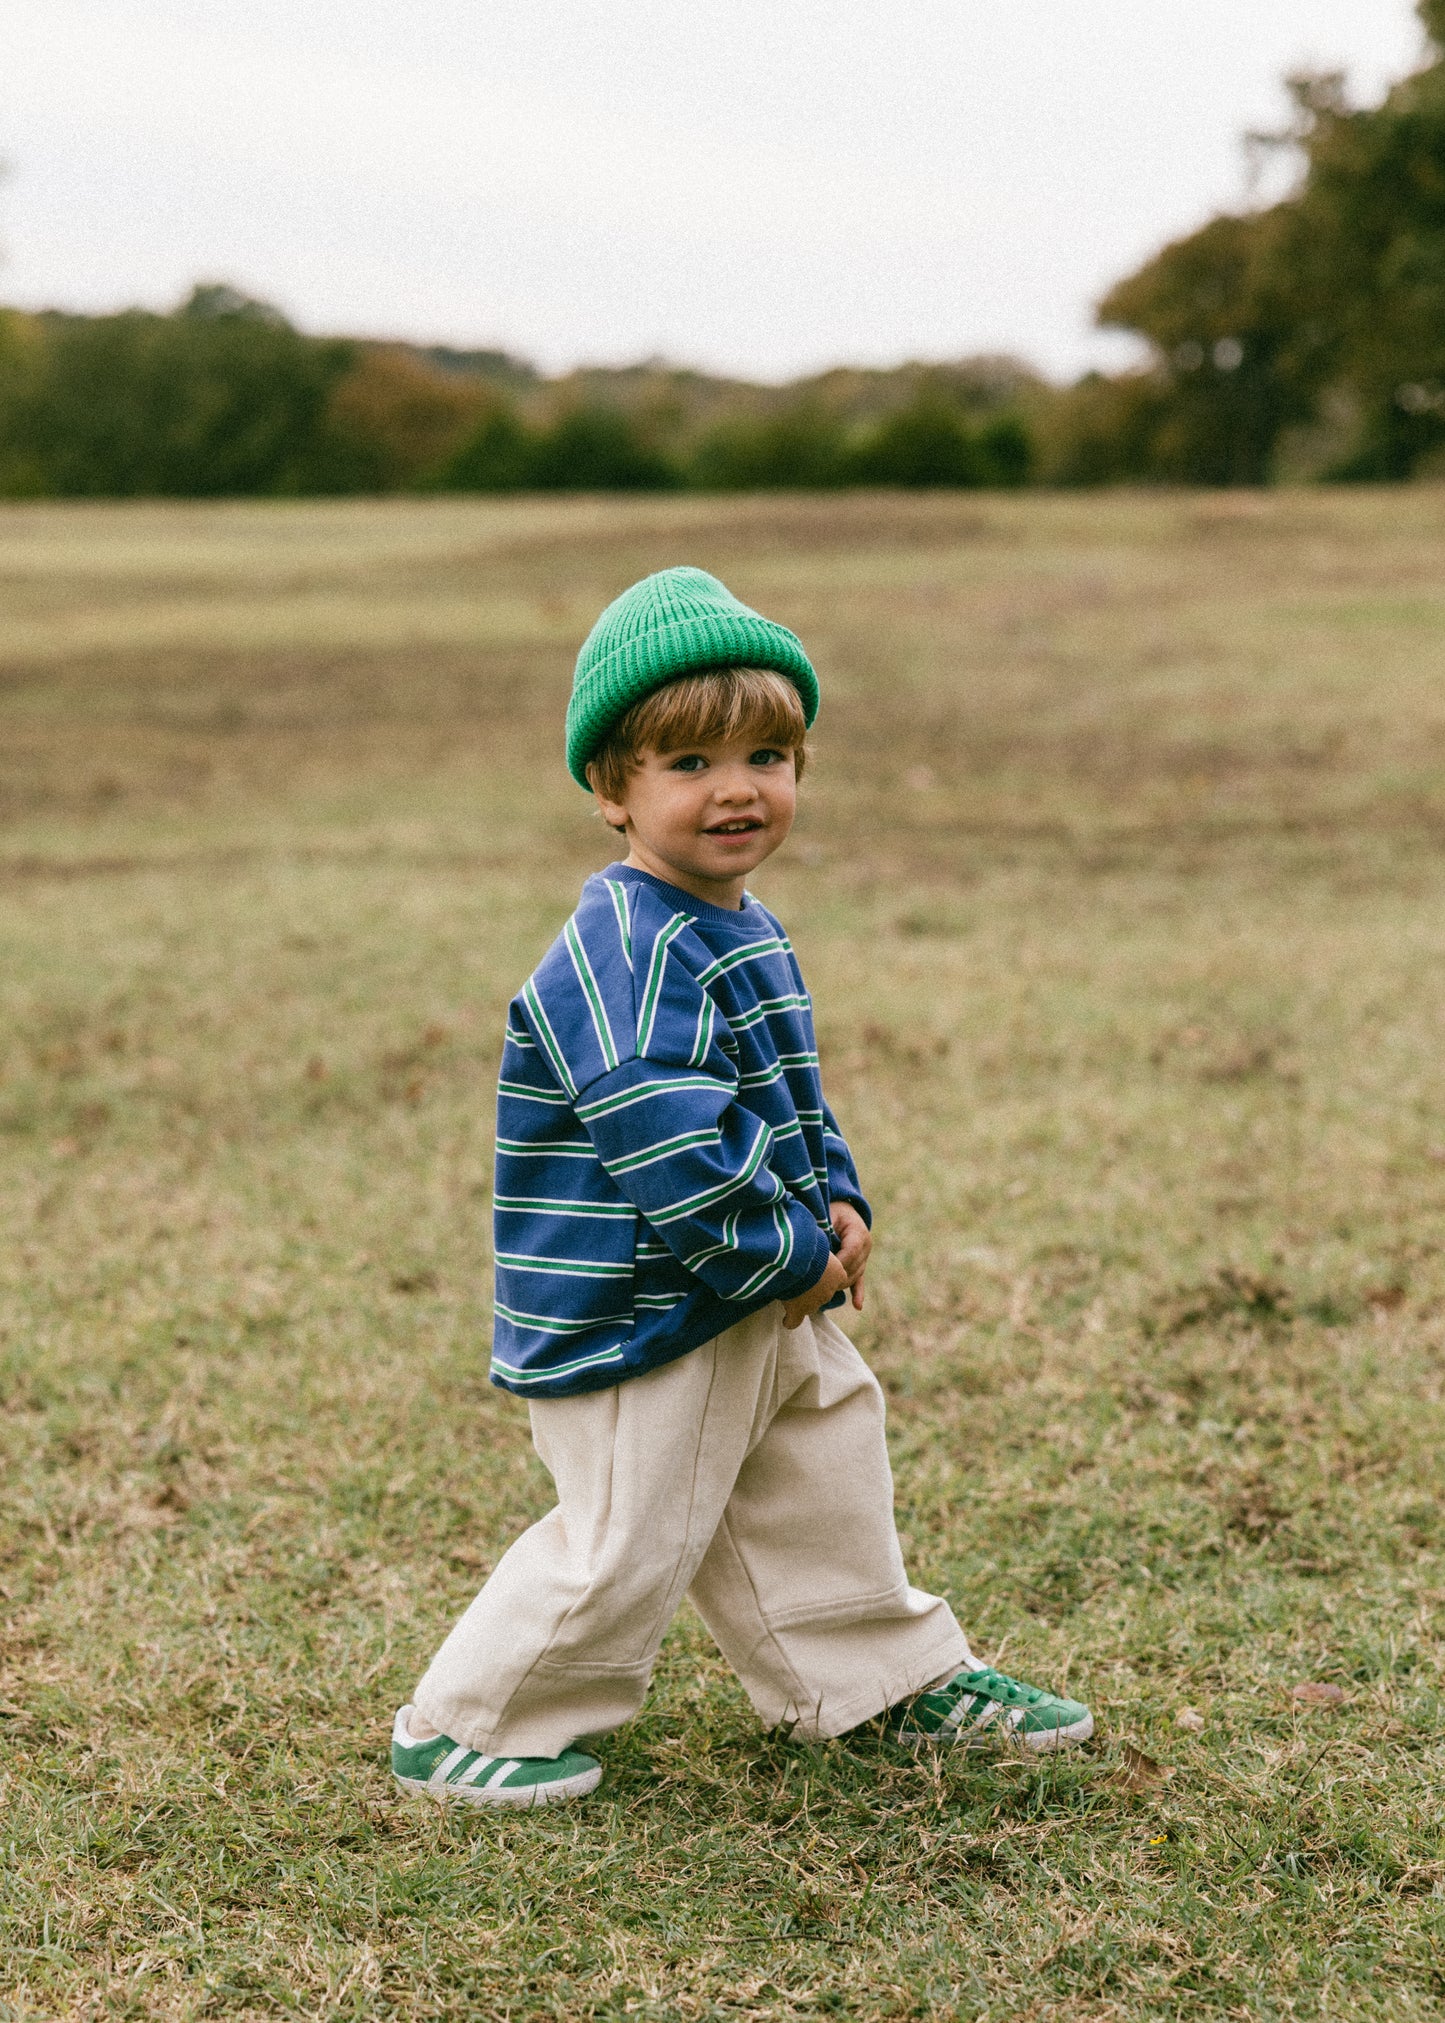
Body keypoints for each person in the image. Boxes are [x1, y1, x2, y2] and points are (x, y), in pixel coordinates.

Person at [392, 566, 1092, 1807]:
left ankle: (871, 1678)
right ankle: (471, 1719)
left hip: (753, 1280)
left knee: (816, 1467)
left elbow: (780, 1092)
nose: (736, 787)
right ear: (610, 791)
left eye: (767, 752)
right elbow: (669, 1137)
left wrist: (837, 1196)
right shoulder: (626, 945)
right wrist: (782, 1251)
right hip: (643, 1306)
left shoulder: (735, 921)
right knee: (629, 1530)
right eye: (687, 763)